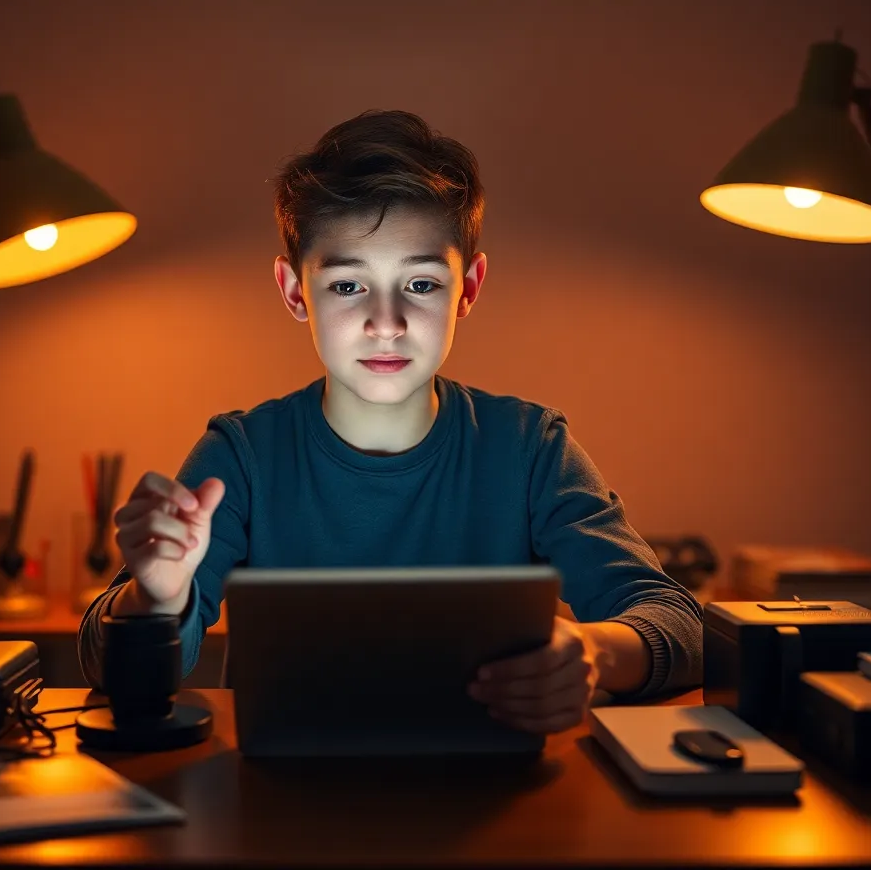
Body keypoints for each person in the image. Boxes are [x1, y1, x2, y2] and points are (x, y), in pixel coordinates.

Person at [78, 110, 703, 733]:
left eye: (422, 284)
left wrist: (592, 654)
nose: (387, 322)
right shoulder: (241, 455)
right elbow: (110, 671)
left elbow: (676, 621)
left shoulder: (529, 447)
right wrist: (155, 601)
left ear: (469, 288)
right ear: (295, 291)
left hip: (488, 799)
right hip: (280, 807)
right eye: (349, 287)